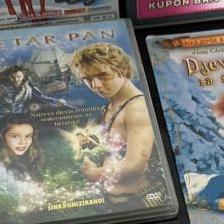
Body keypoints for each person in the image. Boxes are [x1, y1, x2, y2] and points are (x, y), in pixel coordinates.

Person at [70, 43, 164, 208]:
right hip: (118, 202)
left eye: (102, 75)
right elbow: (113, 149)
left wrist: (94, 173)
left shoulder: (137, 108)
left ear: (123, 69)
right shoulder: (109, 107)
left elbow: (136, 166)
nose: (95, 85)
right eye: (87, 79)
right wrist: (90, 145)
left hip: (144, 202)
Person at [0, 114, 44, 185]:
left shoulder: (29, 165)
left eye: (28, 136)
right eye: (15, 136)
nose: (23, 142)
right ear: (2, 137)